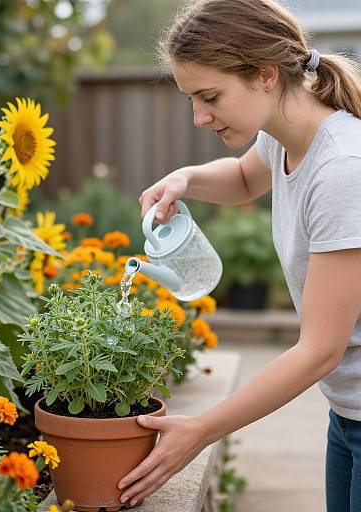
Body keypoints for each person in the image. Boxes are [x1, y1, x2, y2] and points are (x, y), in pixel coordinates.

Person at [116, 0, 361, 510]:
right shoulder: (285, 137)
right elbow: (246, 179)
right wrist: (184, 178)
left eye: (209, 97)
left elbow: (319, 349)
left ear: (266, 75)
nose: (200, 117)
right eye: (191, 99)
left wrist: (202, 428)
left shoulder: (342, 170)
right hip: (348, 412)